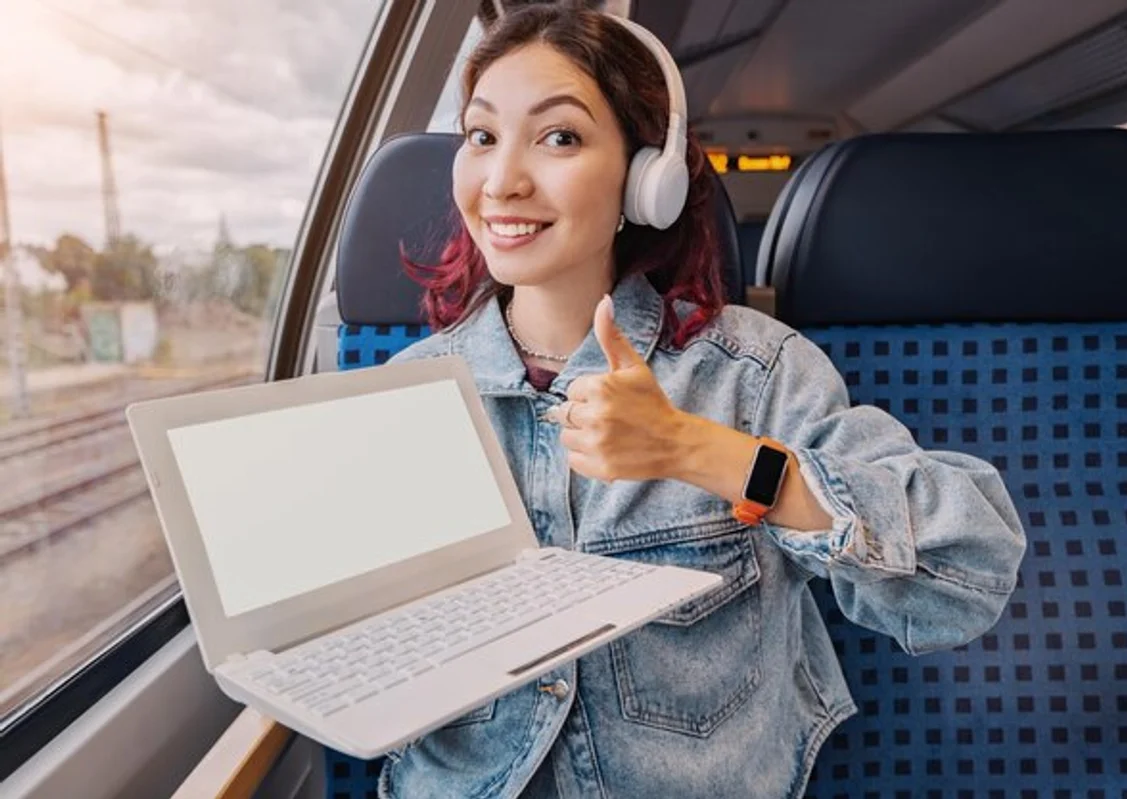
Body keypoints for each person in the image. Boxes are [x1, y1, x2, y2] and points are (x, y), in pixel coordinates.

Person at [383, 4, 1026, 797]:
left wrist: (696, 450)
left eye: (559, 137)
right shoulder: (403, 398)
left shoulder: (752, 373)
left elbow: (972, 570)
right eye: (482, 136)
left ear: (647, 175)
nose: (503, 181)